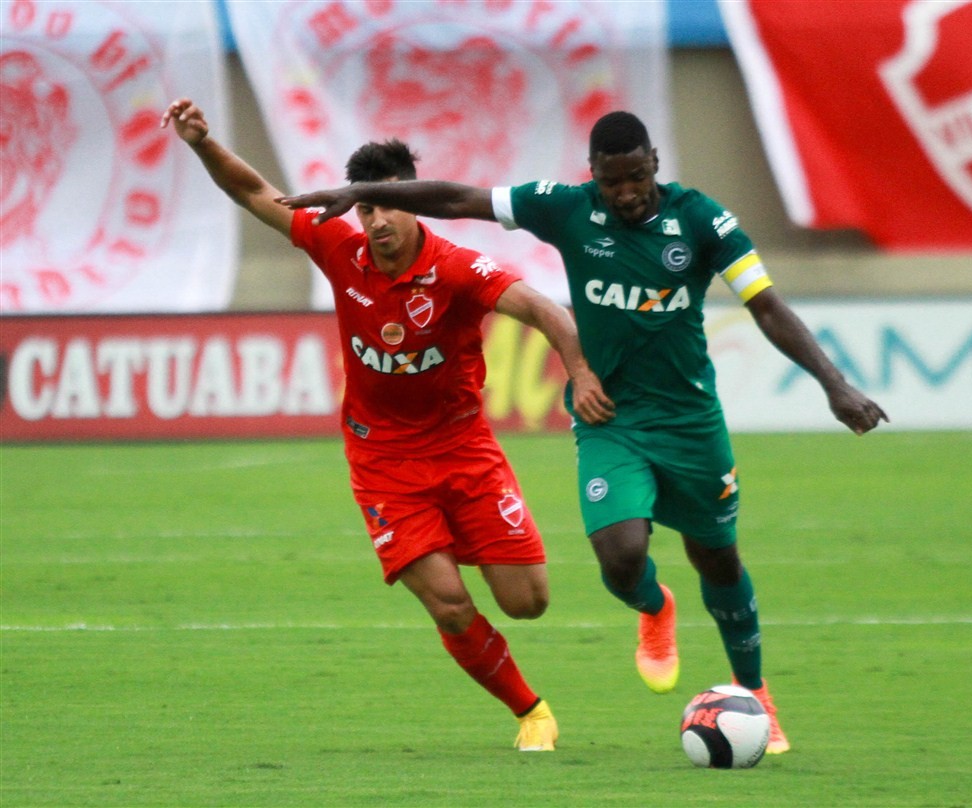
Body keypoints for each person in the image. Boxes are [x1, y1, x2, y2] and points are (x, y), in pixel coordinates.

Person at [278, 110, 890, 755]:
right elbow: (458, 198)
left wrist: (834, 384)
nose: (625, 192)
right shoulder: (566, 208)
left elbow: (765, 305)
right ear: (591, 174)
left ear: (654, 163)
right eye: (611, 181)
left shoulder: (703, 221)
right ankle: (653, 607)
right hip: (610, 418)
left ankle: (756, 692)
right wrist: (363, 193)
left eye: (637, 177)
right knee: (620, 559)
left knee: (717, 557)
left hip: (690, 421)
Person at [160, 98, 616, 752]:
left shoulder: (457, 269)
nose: (377, 221)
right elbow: (254, 192)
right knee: (449, 603)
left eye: (389, 205)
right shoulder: (337, 246)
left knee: (528, 602)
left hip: (464, 451)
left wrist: (581, 372)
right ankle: (531, 712)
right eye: (367, 208)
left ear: (415, 203)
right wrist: (202, 142)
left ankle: (469, 549)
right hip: (384, 465)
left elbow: (545, 309)